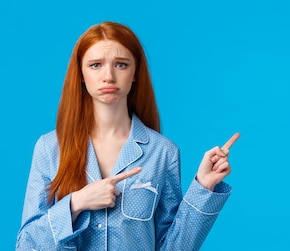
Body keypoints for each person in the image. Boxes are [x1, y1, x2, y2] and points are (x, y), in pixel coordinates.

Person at [16, 21, 239, 251]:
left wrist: (204, 186)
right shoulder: (50, 148)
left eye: (121, 65)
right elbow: (27, 245)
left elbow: (172, 247)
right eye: (95, 65)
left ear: (135, 73)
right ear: (81, 73)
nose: (108, 76)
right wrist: (76, 203)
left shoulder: (163, 152)